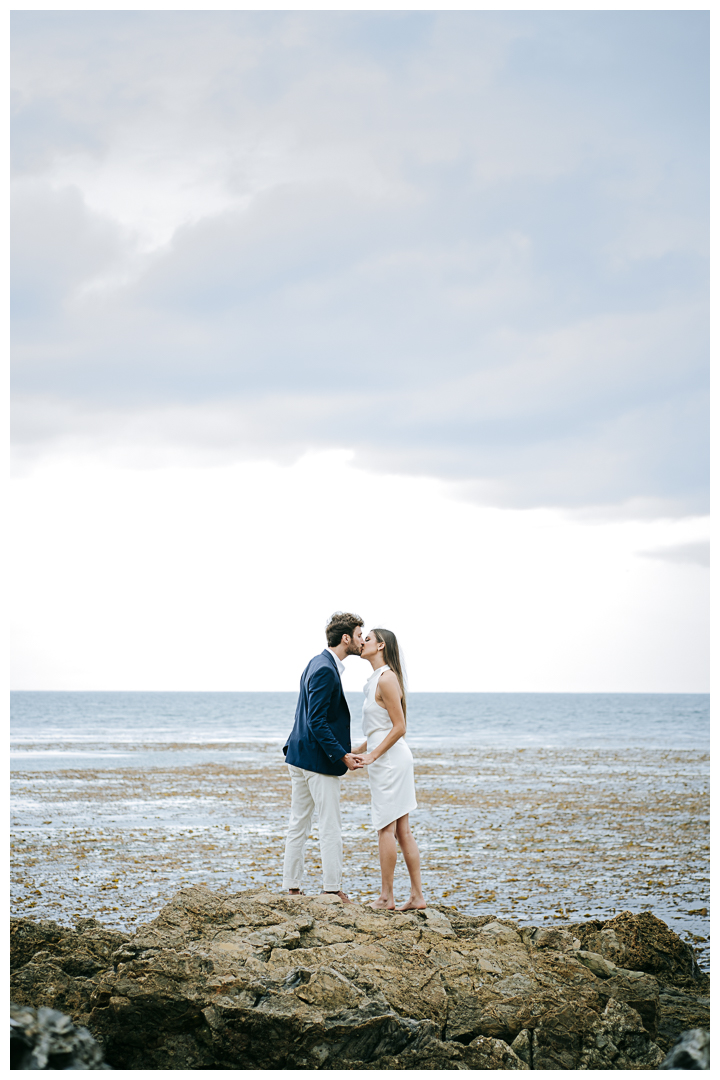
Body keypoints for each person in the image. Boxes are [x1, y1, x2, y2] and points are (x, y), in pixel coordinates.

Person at [282, 612, 366, 903]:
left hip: (299, 755)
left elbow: (308, 716)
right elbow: (316, 721)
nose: (361, 640)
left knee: (299, 822)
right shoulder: (325, 669)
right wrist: (342, 755)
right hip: (316, 762)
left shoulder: (315, 663)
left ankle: (292, 887)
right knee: (330, 825)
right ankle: (332, 888)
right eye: (358, 635)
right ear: (346, 638)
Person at [354, 628, 425, 911]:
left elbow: (400, 727)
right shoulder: (376, 680)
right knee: (401, 830)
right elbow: (380, 727)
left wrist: (372, 755)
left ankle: (386, 897)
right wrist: (360, 749)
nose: (362, 642)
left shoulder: (386, 678)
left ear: (381, 645)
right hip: (388, 759)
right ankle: (417, 897)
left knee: (387, 828)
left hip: (391, 762)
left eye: (367, 638)